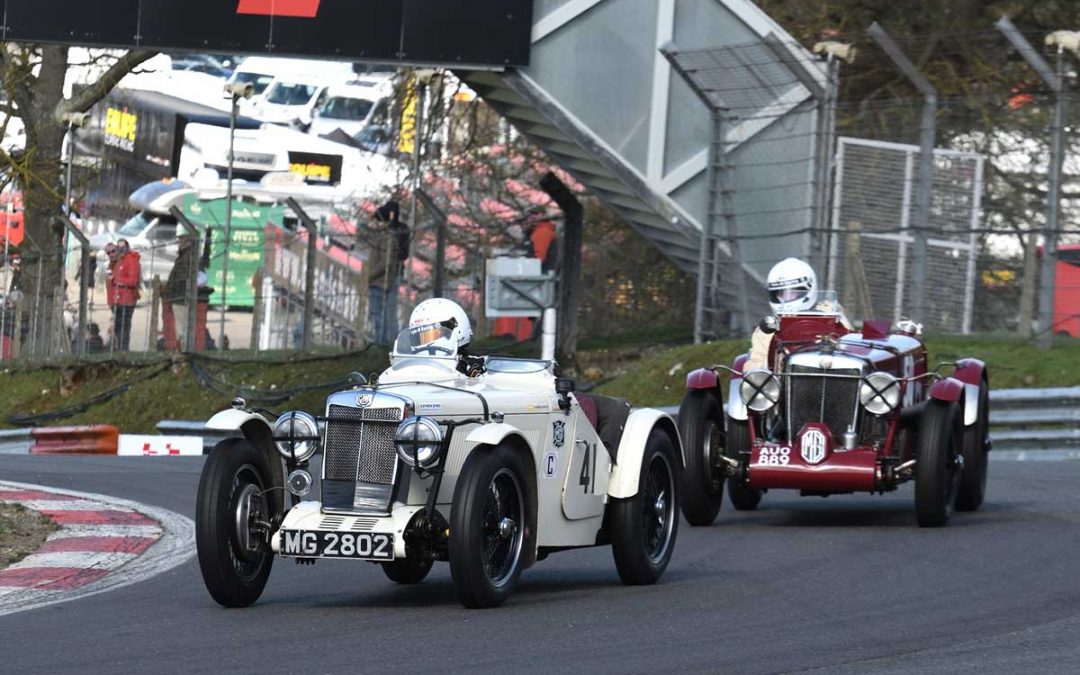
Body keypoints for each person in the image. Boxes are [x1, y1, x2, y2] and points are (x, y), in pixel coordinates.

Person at [745, 257, 852, 371]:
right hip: (783, 384)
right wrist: (774, 363)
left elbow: (851, 349)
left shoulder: (831, 315)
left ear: (808, 288)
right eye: (780, 293)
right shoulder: (767, 331)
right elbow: (751, 371)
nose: (785, 299)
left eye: (793, 292)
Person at [359, 199, 409, 344]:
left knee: (385, 311)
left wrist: (371, 275)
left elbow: (393, 258)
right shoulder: (393, 231)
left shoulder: (392, 233)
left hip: (388, 275)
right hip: (390, 273)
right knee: (386, 311)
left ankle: (386, 341)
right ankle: (388, 340)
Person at [164, 232, 198, 350]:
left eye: (181, 241)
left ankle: (183, 349)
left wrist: (169, 290)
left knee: (181, 325)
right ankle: (184, 347)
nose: (179, 244)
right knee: (183, 324)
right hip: (180, 295)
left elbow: (179, 277)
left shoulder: (186, 257)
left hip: (180, 295)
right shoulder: (188, 256)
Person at [110, 239, 141, 351]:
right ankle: (119, 349)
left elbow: (132, 281)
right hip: (118, 299)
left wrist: (116, 280)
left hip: (127, 300)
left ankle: (124, 349)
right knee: (118, 326)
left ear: (127, 248)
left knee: (124, 326)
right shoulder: (119, 261)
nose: (121, 250)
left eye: (123, 247)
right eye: (119, 247)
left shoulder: (132, 261)